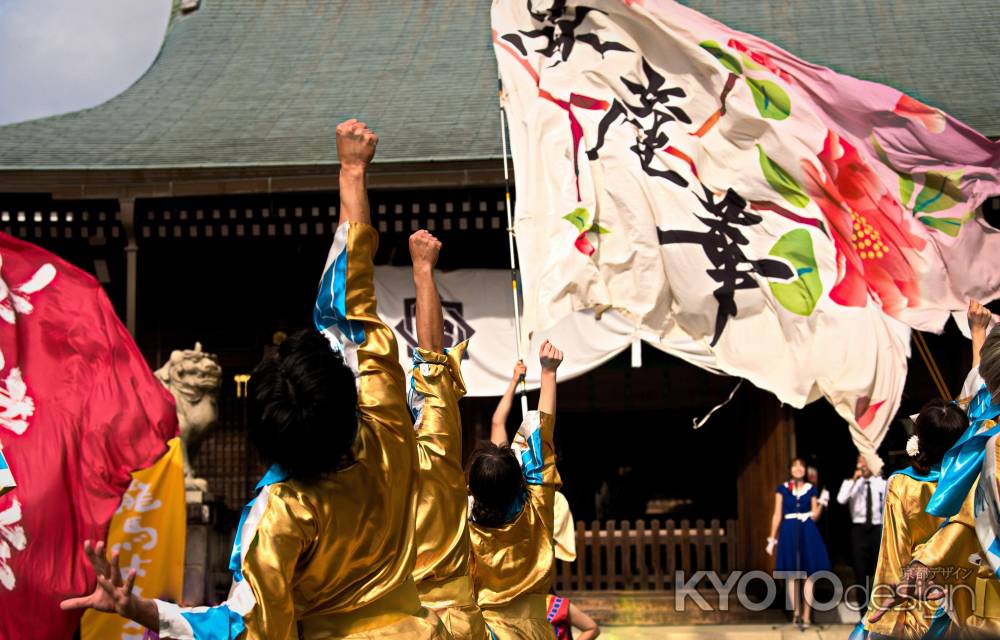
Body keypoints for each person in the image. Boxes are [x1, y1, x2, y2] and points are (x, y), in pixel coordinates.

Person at [60, 120, 450, 638]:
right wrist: (353, 171)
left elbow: (240, 625)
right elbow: (352, 300)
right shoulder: (387, 425)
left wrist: (141, 609)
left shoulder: (282, 512)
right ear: (344, 398)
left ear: (265, 439)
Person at [868, 299, 999, 636]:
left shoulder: (981, 449)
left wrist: (881, 621)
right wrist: (979, 332)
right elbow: (978, 392)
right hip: (974, 586)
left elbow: (894, 555)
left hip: (938, 598)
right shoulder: (981, 445)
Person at [407, 228, 488, 639]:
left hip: (397, 622)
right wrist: (423, 270)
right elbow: (433, 360)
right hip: (458, 621)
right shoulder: (434, 465)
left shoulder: (362, 477)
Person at [469, 342, 563, 639]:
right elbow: (543, 433)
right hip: (536, 628)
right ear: (519, 478)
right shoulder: (536, 501)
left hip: (488, 631)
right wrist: (547, 372)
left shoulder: (464, 521)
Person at [864, 400, 975, 638]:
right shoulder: (977, 479)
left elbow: (893, 553)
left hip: (921, 601)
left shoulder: (903, 484)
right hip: (973, 597)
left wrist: (888, 623)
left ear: (918, 439)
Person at [767, 457, 831, 629]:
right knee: (791, 573)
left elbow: (815, 515)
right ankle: (796, 614)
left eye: (801, 466)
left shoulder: (811, 489)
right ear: (790, 470)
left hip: (807, 530)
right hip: (789, 530)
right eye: (795, 466)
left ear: (805, 470)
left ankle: (807, 615)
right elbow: (777, 514)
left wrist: (822, 502)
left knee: (808, 574)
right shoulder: (783, 489)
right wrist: (772, 538)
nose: (798, 468)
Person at [837, 454, 887, 604]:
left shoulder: (882, 483)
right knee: (860, 571)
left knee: (879, 569)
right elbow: (841, 499)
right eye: (860, 463)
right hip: (859, 529)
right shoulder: (852, 483)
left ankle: (879, 606)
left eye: (866, 463)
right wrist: (854, 479)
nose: (863, 466)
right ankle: (863, 611)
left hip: (877, 527)